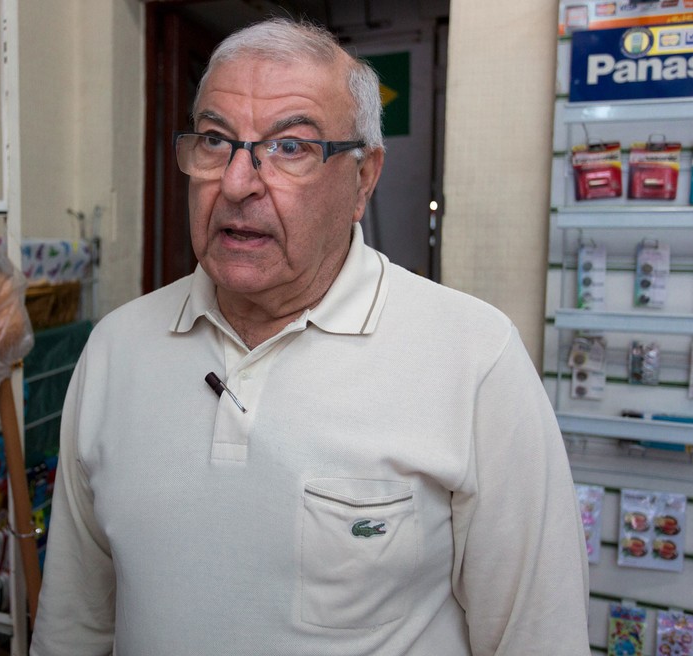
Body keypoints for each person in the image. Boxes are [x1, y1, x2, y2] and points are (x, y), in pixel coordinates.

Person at [30, 17, 590, 656]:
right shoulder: (115, 349)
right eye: (215, 140)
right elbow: (74, 620)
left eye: (290, 147)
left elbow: (538, 636)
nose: (237, 184)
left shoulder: (474, 357)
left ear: (363, 178)